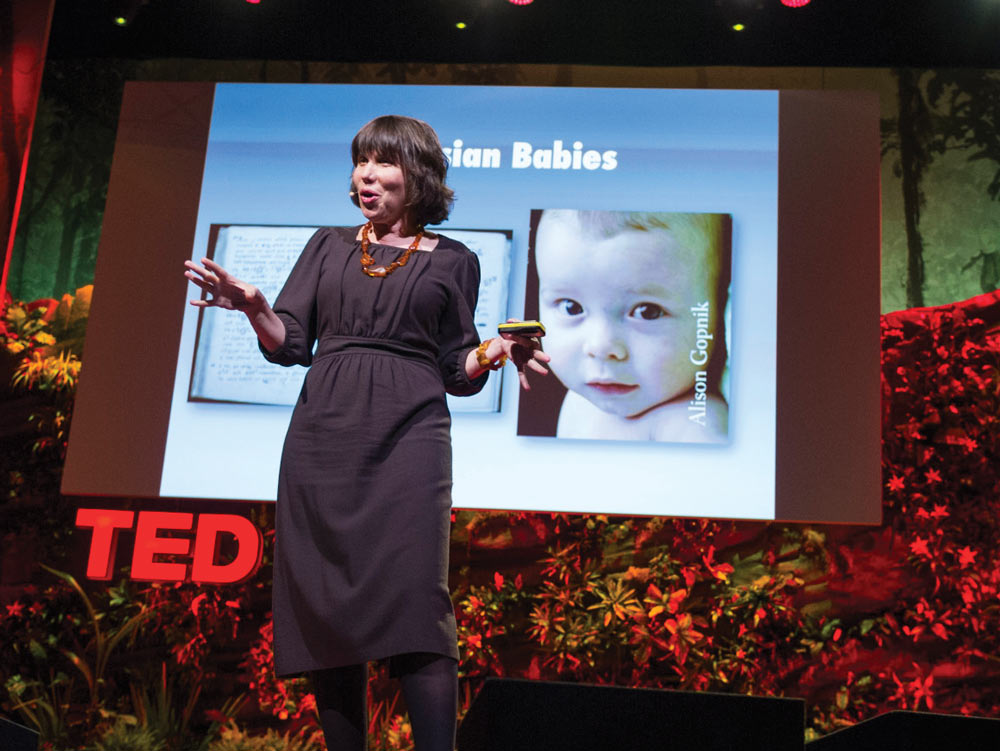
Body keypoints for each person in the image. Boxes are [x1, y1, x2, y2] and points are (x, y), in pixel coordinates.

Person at [184, 115, 548, 751]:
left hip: (411, 436)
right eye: (361, 162)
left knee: (415, 600)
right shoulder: (327, 245)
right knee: (328, 606)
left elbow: (455, 369)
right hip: (323, 437)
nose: (367, 176)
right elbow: (290, 345)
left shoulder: (455, 260)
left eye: (383, 163)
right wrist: (255, 307)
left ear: (419, 176)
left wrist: (497, 350)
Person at [532, 209, 729, 443]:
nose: (600, 346)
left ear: (719, 309)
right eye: (570, 307)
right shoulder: (583, 396)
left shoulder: (694, 426)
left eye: (647, 312)